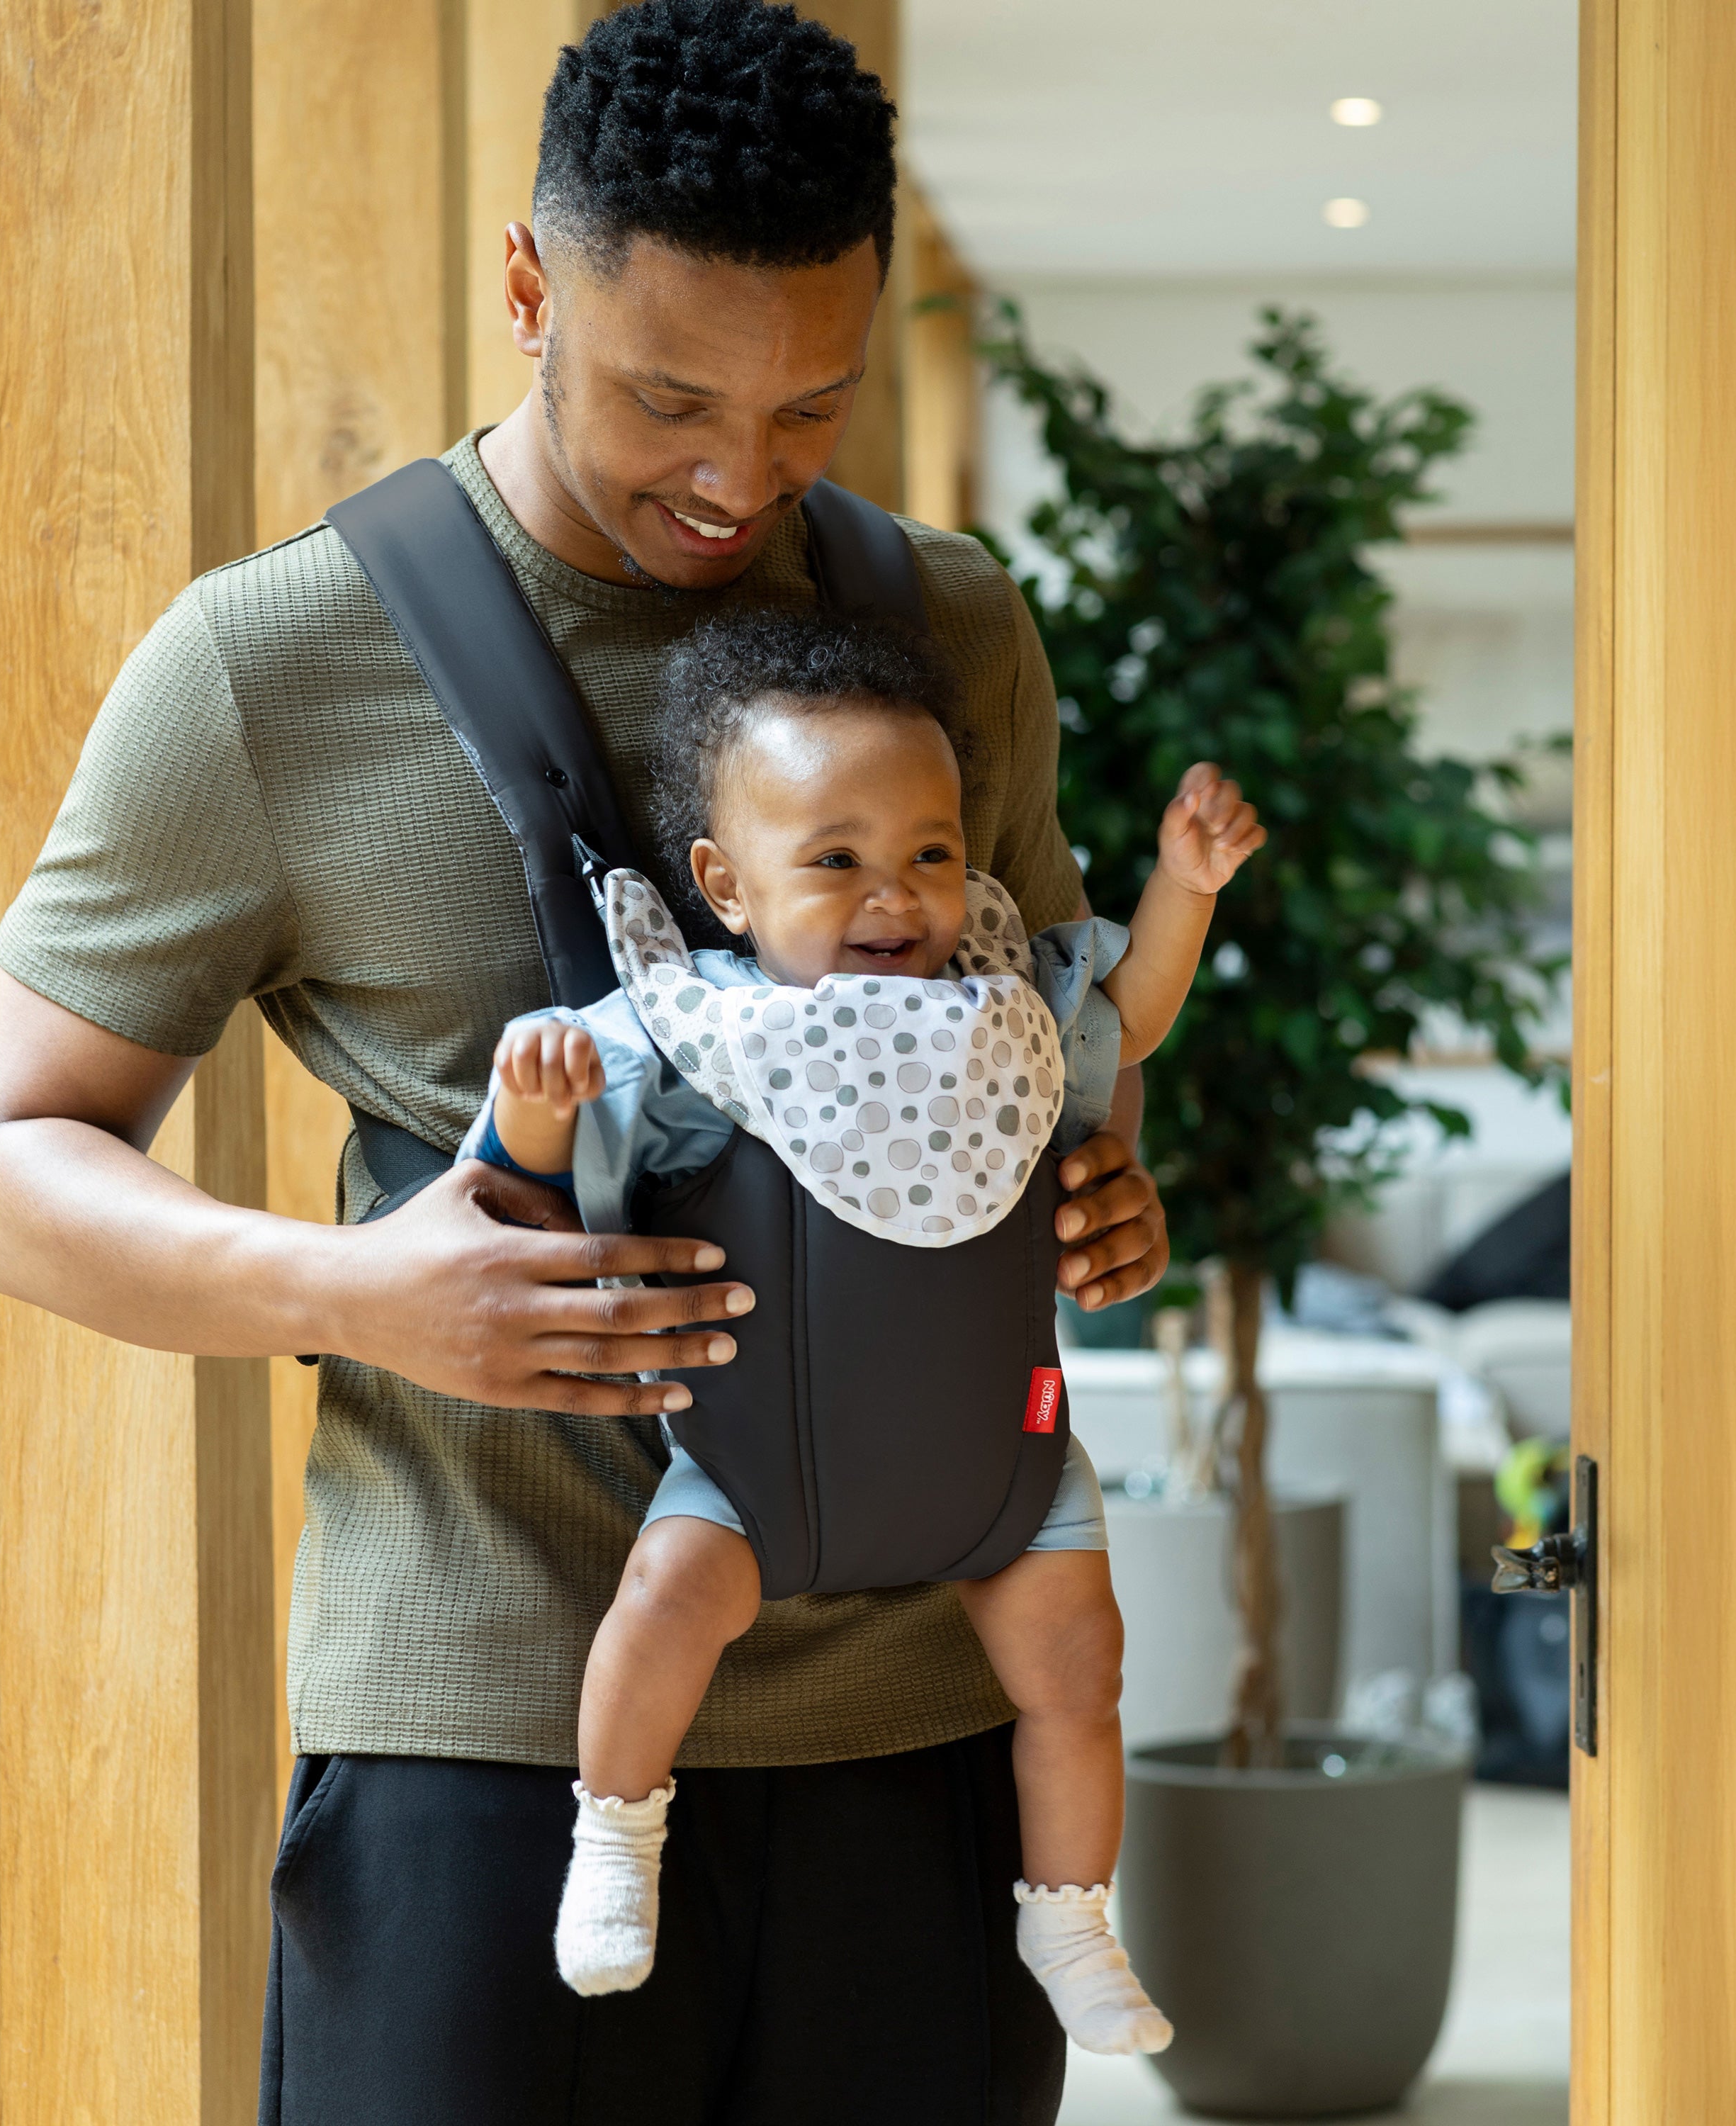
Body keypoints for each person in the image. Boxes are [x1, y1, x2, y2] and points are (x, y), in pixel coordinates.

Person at [0, 4, 1172, 2120]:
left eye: (810, 405)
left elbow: (1039, 1031)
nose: (739, 475)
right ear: (530, 285)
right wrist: (360, 1294)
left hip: (921, 1728)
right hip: (487, 1739)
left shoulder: (955, 629)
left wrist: (1098, 1180)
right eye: (667, 398)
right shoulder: (272, 665)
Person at [468, 609, 1261, 2044]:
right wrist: (536, 1094)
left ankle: (1073, 1920)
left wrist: (1185, 887)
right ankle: (616, 1841)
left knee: (1082, 1673)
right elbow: (537, 1179)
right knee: (658, 1615)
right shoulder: (695, 1033)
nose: (895, 895)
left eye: (933, 855)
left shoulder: (1009, 1009)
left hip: (1003, 1477)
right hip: (753, 1474)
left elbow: (1130, 1017)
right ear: (723, 884)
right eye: (834, 860)